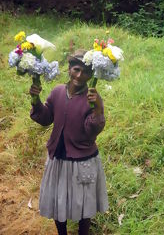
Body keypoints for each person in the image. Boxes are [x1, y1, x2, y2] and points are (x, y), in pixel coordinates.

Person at [29, 49, 108, 235]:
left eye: (86, 72)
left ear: (91, 75)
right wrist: (35, 100)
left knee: (84, 204)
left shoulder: (91, 99)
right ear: (69, 68)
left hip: (83, 160)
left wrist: (98, 108)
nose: (80, 76)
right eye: (76, 69)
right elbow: (46, 117)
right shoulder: (57, 92)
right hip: (58, 157)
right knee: (58, 200)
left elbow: (92, 130)